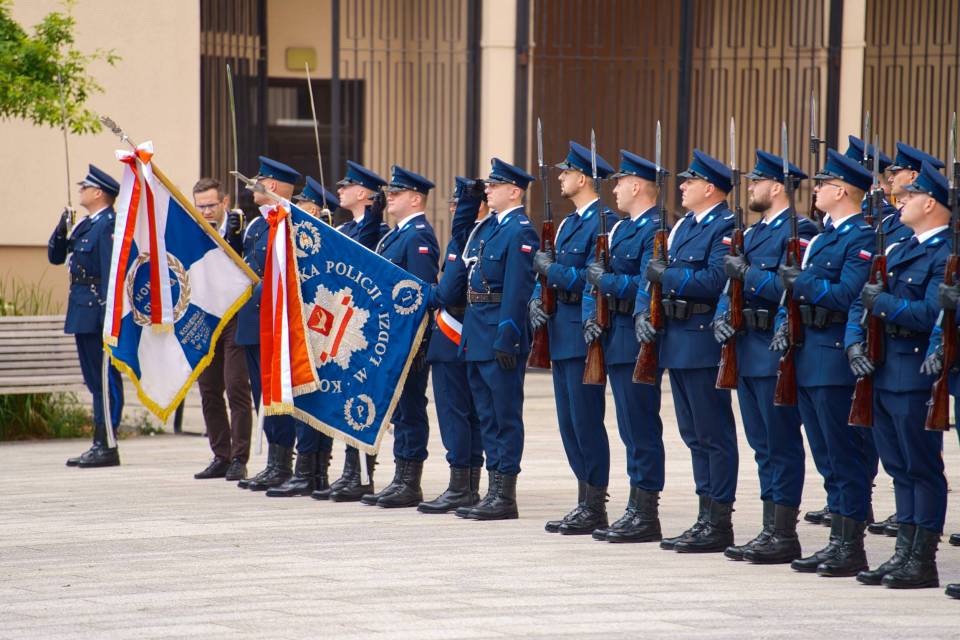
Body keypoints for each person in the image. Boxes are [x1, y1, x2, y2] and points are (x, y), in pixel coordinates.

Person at [845, 161, 950, 589]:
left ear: (931, 203)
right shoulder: (900, 246)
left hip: (914, 368)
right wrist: (854, 342)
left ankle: (922, 559)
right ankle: (903, 551)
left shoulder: (945, 254)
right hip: (883, 367)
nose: (900, 200)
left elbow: (931, 313)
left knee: (920, 465)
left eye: (910, 196)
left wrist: (883, 304)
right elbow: (861, 300)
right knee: (897, 465)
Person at [712, 150, 818, 563]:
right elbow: (729, 287)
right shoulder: (752, 234)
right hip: (746, 348)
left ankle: (783, 533)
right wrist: (722, 316)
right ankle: (769, 528)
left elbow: (790, 290)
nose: (750, 188)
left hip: (775, 350)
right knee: (761, 445)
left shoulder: (799, 231)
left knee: (780, 443)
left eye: (756, 182)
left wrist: (748, 274)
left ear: (776, 187)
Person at [774, 148, 875, 577]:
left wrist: (803, 282)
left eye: (823, 184)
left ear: (842, 191)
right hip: (807, 352)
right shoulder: (823, 236)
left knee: (843, 454)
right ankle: (838, 539)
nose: (815, 190)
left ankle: (850, 546)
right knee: (825, 455)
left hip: (832, 356)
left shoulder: (862, 238)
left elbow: (848, 294)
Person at [638, 149, 738, 553]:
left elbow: (715, 279)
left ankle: (719, 521)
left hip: (701, 339)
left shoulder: (725, 226)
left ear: (710, 188)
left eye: (690, 181)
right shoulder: (682, 226)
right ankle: (704, 515)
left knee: (714, 434)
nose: (682, 186)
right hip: (676, 339)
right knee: (693, 434)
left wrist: (669, 275)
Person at [531, 141, 618, 535]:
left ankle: (595, 504)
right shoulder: (566, 224)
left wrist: (553, 273)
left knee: (585, 420)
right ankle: (583, 498)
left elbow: (592, 278)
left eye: (566, 173)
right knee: (568, 422)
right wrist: (536, 299)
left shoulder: (605, 222)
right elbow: (544, 271)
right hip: (559, 330)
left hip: (583, 331)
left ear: (583, 178)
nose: (561, 178)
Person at [583, 150, 666, 543]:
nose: (613, 189)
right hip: (615, 335)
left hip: (637, 336)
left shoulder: (655, 229)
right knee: (629, 428)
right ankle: (635, 506)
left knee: (641, 425)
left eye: (619, 183)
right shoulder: (619, 229)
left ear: (636, 186)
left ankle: (646, 511)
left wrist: (606, 282)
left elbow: (645, 284)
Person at [359, 166, 439, 508]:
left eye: (396, 193)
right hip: (392, 337)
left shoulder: (418, 236)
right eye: (389, 193)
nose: (389, 197)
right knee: (399, 409)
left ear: (415, 199)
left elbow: (419, 293)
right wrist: (372, 217)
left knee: (410, 408)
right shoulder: (394, 235)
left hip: (409, 340)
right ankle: (399, 476)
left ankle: (410, 481)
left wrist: (417, 341)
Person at [313, 161, 388, 502]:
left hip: (361, 328)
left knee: (361, 399)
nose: (339, 190)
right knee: (344, 398)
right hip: (338, 326)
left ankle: (362, 474)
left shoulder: (378, 229)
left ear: (363, 193)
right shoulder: (343, 229)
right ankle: (348, 471)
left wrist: (373, 215)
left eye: (347, 186)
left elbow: (365, 255)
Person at [265, 177, 343, 498]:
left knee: (314, 402)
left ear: (313, 210)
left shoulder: (323, 240)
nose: (296, 208)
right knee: (307, 402)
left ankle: (312, 471)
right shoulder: (298, 237)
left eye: (302, 204)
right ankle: (312, 472)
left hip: (321, 332)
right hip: (307, 328)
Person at [418, 176, 487, 514]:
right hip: (467, 336)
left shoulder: (465, 239)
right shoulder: (479, 236)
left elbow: (447, 292)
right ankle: (468, 485)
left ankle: (461, 486)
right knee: (470, 414)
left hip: (451, 337)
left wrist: (422, 294)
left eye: (459, 204)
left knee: (454, 413)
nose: (453, 210)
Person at [234, 156, 302, 492]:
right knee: (262, 392)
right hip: (253, 319)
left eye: (258, 180)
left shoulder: (292, 222)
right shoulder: (255, 225)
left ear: (271, 184)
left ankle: (283, 462)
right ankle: (274, 462)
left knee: (280, 392)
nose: (251, 186)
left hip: (278, 321)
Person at [51, 164, 124, 468]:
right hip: (82, 310)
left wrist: (109, 314)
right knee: (94, 380)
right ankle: (99, 442)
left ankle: (107, 443)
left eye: (85, 187)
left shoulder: (107, 225)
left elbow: (110, 272)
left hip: (97, 311)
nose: (80, 191)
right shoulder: (85, 225)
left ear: (98, 193)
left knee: (105, 379)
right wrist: (62, 228)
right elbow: (56, 257)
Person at [191, 178, 252, 481]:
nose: (205, 212)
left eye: (211, 206)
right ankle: (221, 455)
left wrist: (236, 238)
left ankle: (239, 458)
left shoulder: (240, 228)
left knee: (236, 385)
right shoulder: (193, 231)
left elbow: (247, 266)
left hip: (235, 317)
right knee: (209, 389)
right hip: (207, 317)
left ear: (224, 203)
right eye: (200, 206)